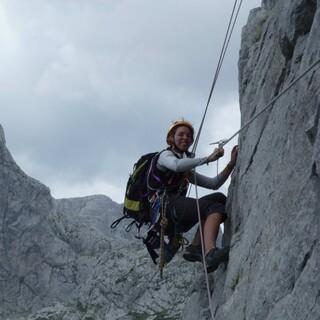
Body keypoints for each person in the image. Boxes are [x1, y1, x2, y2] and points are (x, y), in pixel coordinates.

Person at [157, 119, 238, 272]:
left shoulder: (186, 169)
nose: (185, 138)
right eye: (180, 134)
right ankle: (210, 253)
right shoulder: (164, 156)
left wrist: (231, 164)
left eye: (188, 136)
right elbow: (175, 166)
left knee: (219, 198)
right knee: (213, 207)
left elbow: (213, 184)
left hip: (176, 212)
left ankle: (195, 247)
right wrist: (207, 159)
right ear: (171, 138)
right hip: (165, 209)